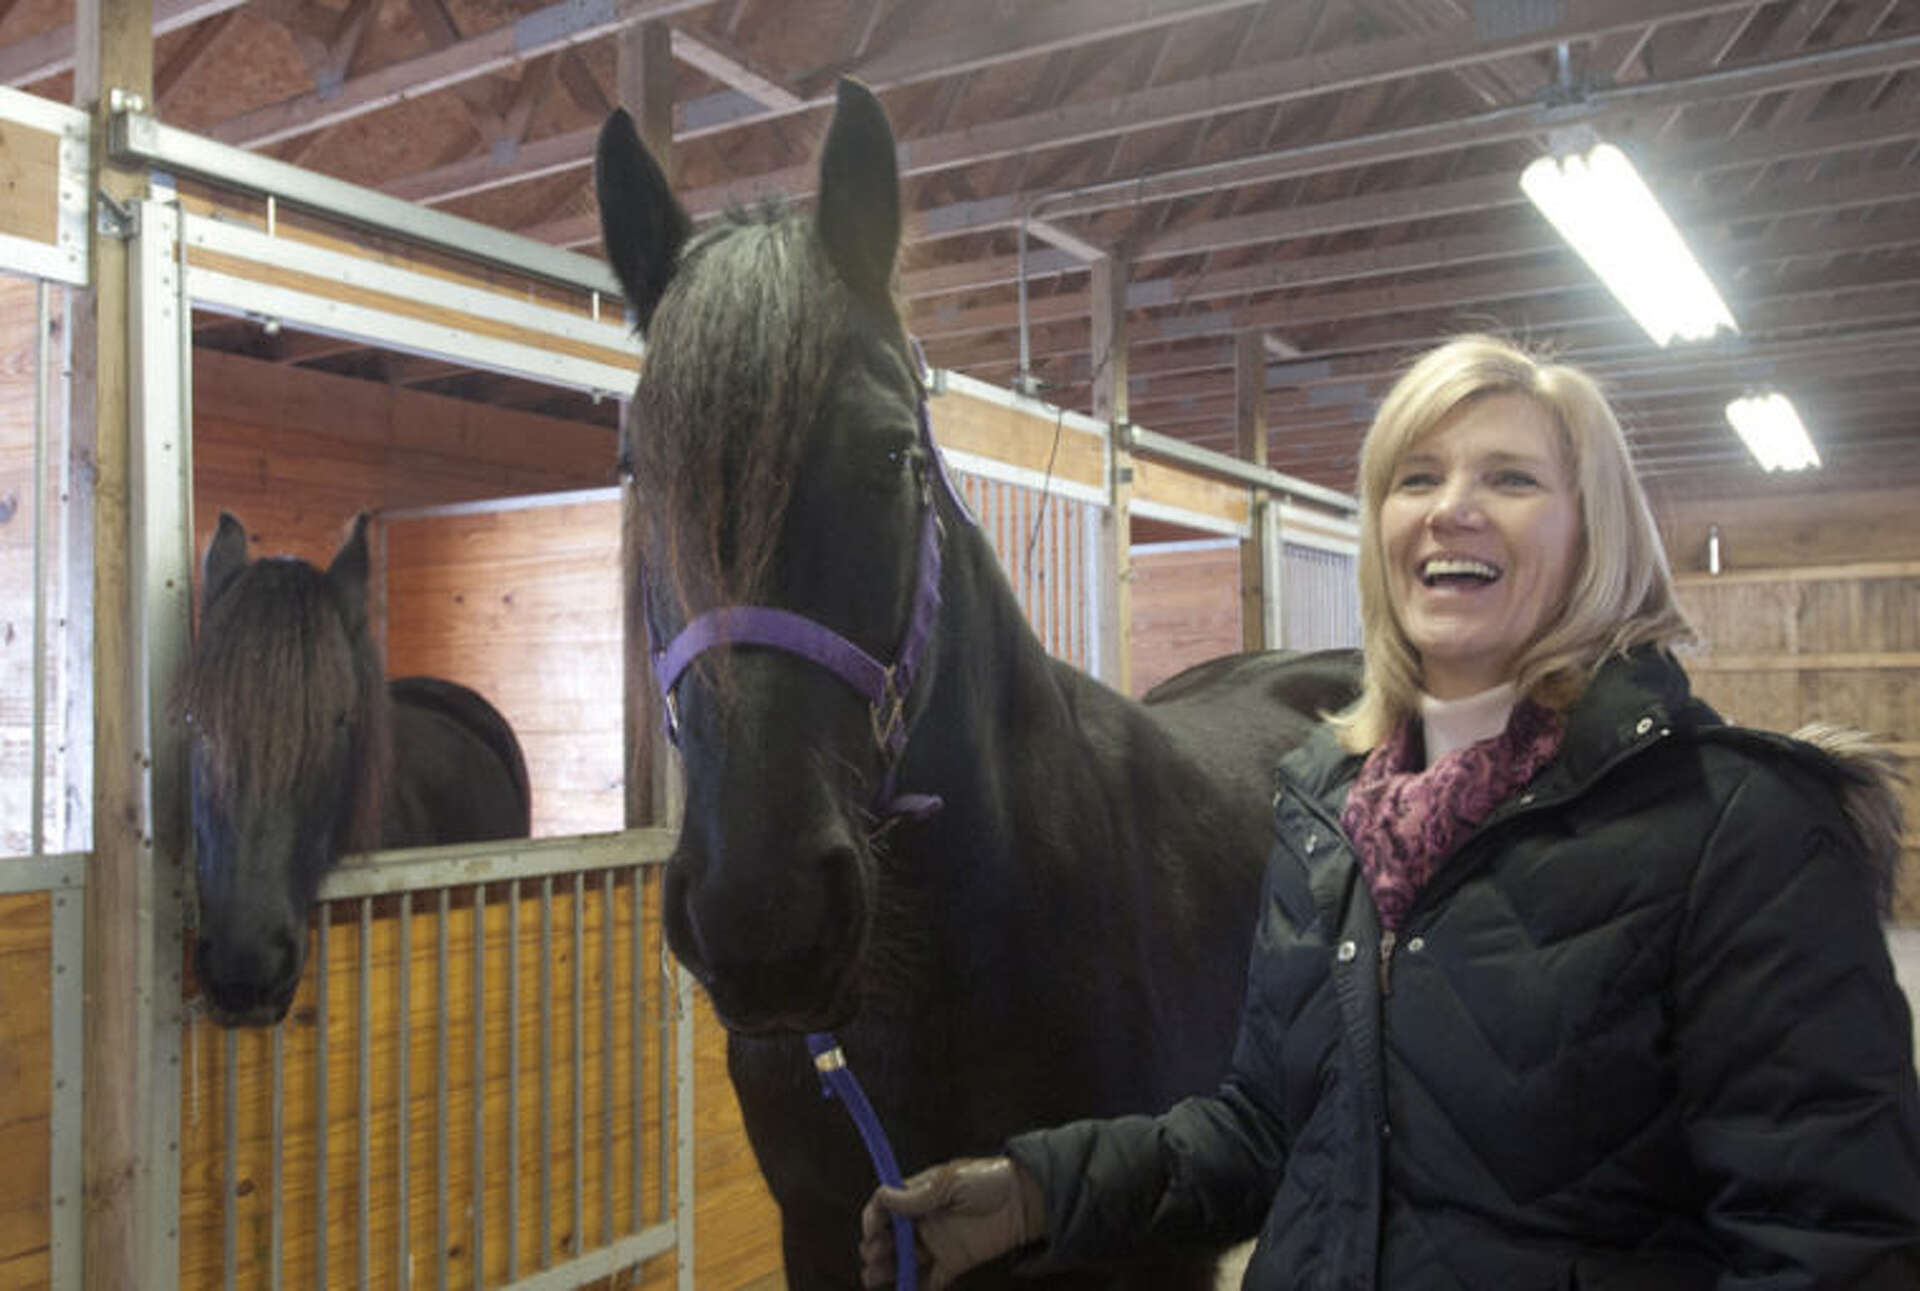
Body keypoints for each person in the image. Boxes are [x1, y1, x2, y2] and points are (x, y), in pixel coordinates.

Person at [860, 334, 1920, 1290]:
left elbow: (1832, 1239)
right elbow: (1267, 1129)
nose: (1452, 506)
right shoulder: (1329, 813)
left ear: (1595, 535)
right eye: (1417, 477)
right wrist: (1036, 1192)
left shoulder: (1741, 828)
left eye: (1510, 477)